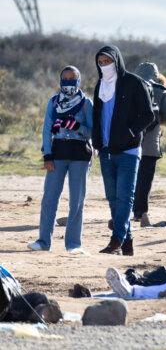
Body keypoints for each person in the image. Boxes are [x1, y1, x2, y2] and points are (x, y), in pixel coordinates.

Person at [93, 45, 154, 255]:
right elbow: (97, 117)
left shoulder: (133, 82)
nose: (104, 65)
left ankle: (116, 239)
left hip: (128, 150)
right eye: (100, 62)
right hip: (106, 150)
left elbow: (148, 115)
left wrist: (130, 132)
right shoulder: (100, 85)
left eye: (107, 61)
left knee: (125, 197)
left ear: (116, 60)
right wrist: (97, 142)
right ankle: (127, 242)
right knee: (112, 197)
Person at [27, 66, 93, 253]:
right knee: (49, 198)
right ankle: (43, 242)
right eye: (65, 79)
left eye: (72, 79)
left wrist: (77, 126)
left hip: (79, 155)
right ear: (60, 80)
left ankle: (73, 244)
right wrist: (47, 155)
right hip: (57, 155)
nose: (68, 83)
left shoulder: (86, 103)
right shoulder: (53, 102)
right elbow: (47, 130)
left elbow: (92, 132)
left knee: (77, 201)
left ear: (79, 81)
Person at [132, 62, 166, 227]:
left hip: (128, 142)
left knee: (128, 177)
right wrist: (156, 122)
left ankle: (122, 210)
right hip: (150, 145)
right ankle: (140, 212)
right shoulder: (160, 91)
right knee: (145, 179)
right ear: (156, 75)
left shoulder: (128, 88)